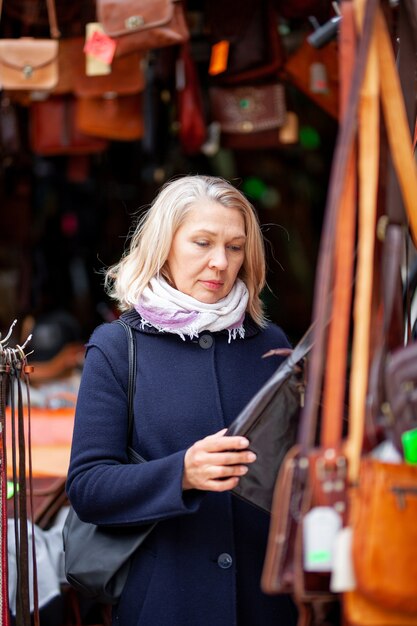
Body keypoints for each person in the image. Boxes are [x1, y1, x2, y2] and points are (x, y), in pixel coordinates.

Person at [66, 175, 298, 626]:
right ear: (164, 246)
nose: (220, 262)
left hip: (268, 601)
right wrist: (182, 473)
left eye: (234, 247)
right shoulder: (117, 347)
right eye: (202, 243)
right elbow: (88, 488)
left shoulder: (271, 344)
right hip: (167, 601)